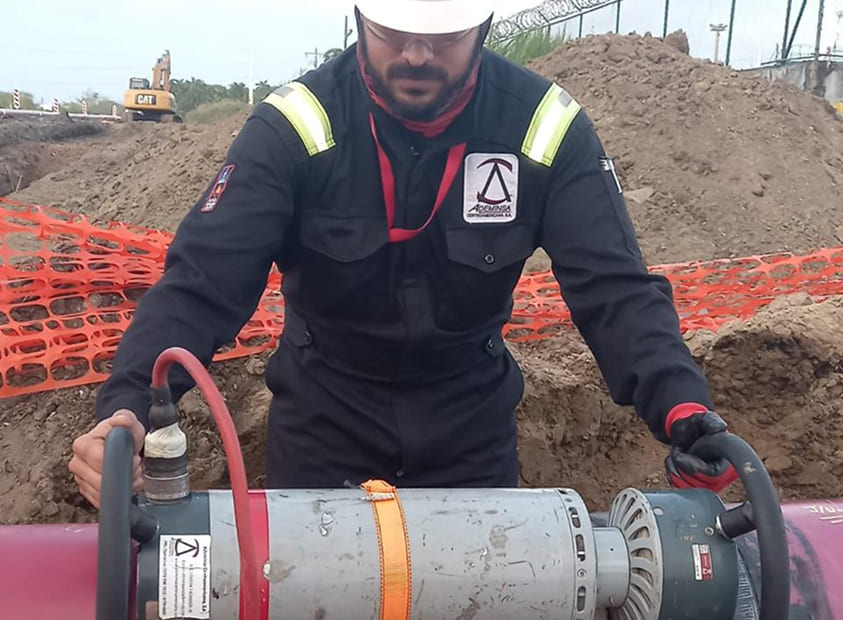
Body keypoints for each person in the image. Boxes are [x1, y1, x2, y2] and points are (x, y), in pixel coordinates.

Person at [69, 0, 737, 508]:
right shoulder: (296, 127)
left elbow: (613, 289)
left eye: (442, 35)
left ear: (483, 24)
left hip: (469, 437)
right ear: (359, 19)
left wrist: (679, 406)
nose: (416, 53)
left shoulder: (542, 127)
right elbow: (200, 286)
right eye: (393, 32)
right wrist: (126, 409)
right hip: (322, 431)